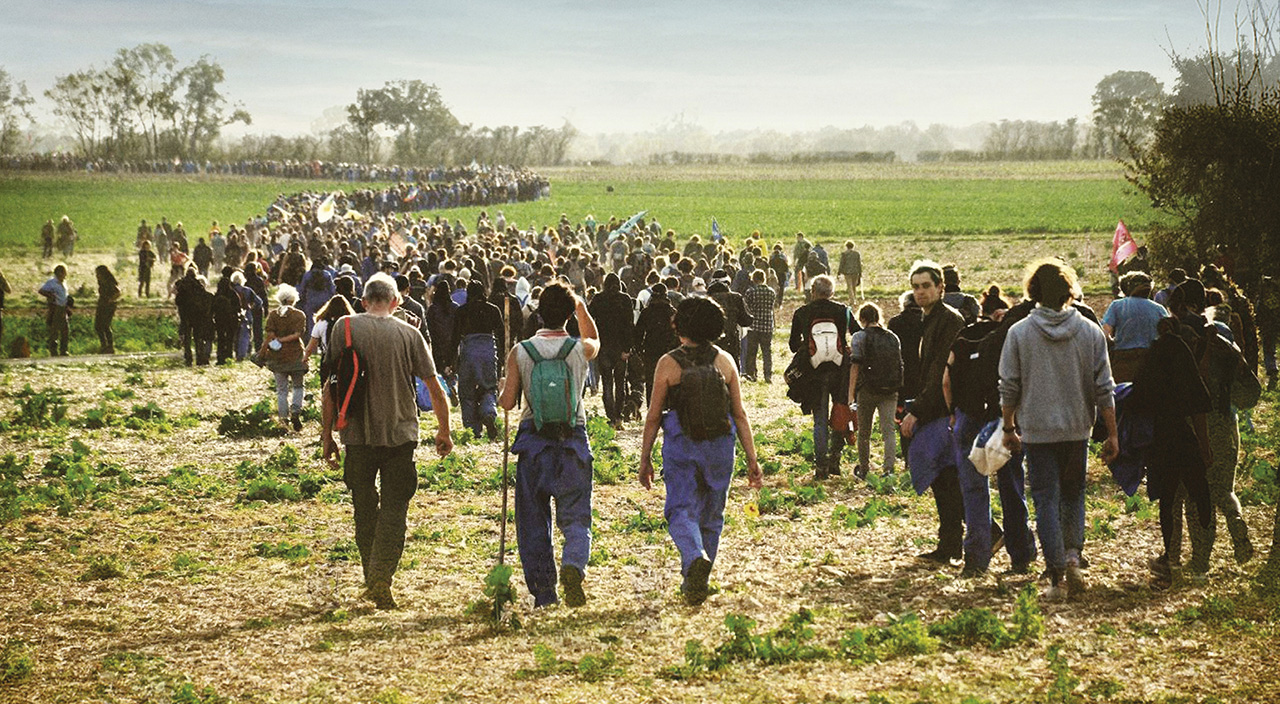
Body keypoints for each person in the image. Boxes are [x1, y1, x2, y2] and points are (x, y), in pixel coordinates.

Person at [321, 272, 453, 610]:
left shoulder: (343, 328)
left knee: (363, 508)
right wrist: (444, 431)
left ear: (364, 301)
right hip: (400, 434)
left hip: (356, 435)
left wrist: (326, 437)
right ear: (396, 303)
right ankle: (381, 578)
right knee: (396, 509)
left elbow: (330, 387)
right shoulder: (409, 334)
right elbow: (435, 388)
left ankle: (372, 576)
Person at [999, 259, 1118, 600]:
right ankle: (1072, 555)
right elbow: (1104, 388)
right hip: (1077, 429)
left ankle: (1056, 576)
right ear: (1069, 291)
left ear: (1032, 292)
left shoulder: (1019, 332)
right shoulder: (1090, 332)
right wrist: (1112, 433)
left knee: (1045, 498)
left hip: (1037, 431)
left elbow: (1009, 386)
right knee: (1074, 494)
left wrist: (1009, 426)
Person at [639, 296, 763, 605]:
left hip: (682, 443)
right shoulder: (725, 361)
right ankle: (698, 581)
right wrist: (752, 458)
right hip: (721, 444)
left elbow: (654, 416)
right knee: (712, 515)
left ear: (679, 326)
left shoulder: (668, 363)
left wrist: (645, 459)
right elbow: (740, 413)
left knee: (681, 509)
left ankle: (694, 557)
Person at [497, 281, 600, 608]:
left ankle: (544, 593)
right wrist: (581, 307)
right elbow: (596, 339)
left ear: (539, 314)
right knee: (576, 515)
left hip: (533, 442)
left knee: (533, 521)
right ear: (568, 314)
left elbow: (508, 402)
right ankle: (573, 565)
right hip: (572, 439)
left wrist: (502, 386)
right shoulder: (579, 349)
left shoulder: (521, 351)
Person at [899, 261, 966, 565]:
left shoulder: (949, 320)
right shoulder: (929, 319)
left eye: (926, 286)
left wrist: (918, 411)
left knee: (948, 478)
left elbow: (941, 370)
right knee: (944, 479)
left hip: (943, 410)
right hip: (936, 408)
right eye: (916, 287)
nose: (921, 292)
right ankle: (951, 544)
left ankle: (974, 536)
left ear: (941, 287)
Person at [788, 274, 855, 479]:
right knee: (840, 413)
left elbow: (792, 345)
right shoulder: (843, 311)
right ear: (832, 293)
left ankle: (821, 466)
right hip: (840, 371)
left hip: (813, 373)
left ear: (813, 292)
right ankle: (835, 458)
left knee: (819, 420)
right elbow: (858, 334)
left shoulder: (802, 312)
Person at [847, 303, 902, 479]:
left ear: (862, 319)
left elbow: (855, 367)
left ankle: (864, 469)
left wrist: (851, 395)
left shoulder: (859, 337)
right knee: (889, 431)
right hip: (890, 390)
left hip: (867, 389)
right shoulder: (893, 337)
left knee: (864, 432)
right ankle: (888, 469)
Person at [453, 279, 504, 440]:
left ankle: (473, 429)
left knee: (467, 392)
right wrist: (502, 358)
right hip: (489, 350)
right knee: (489, 387)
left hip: (469, 351)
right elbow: (502, 335)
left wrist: (450, 360)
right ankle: (489, 412)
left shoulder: (462, 311)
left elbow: (454, 338)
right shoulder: (493, 310)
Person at [1101, 271, 1169, 383]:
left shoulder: (1117, 305)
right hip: (1150, 361)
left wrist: (1113, 344)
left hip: (1123, 360)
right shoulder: (1159, 309)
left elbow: (1105, 334)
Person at [588, 273, 635, 427]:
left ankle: (611, 418)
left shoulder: (598, 299)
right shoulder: (625, 299)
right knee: (620, 383)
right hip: (621, 347)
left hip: (603, 347)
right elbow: (629, 325)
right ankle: (619, 416)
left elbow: (590, 318)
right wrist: (628, 348)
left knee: (607, 383)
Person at [263, 284, 308, 430]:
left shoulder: (273, 315)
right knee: (298, 386)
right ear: (293, 299)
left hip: (278, 356)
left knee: (281, 390)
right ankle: (295, 410)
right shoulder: (299, 315)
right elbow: (298, 334)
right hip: (295, 354)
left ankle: (283, 419)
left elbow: (270, 334)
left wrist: (278, 341)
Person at [636, 282, 680, 403]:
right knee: (669, 381)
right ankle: (668, 408)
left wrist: (639, 350)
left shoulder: (646, 312)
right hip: (669, 351)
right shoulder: (672, 312)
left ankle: (652, 407)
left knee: (651, 382)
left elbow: (638, 333)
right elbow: (679, 333)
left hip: (650, 350)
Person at [742, 269, 776, 382]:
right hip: (767, 325)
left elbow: (746, 308)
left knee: (752, 351)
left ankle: (752, 374)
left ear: (754, 279)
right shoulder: (771, 292)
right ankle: (768, 375)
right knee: (767, 351)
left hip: (753, 325)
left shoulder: (750, 291)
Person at [38, 264, 71, 357]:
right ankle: (54, 351)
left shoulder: (64, 283)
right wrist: (51, 296)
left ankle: (64, 350)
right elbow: (41, 291)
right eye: (63, 272)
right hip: (56, 307)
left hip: (63, 308)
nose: (65, 274)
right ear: (59, 273)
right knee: (54, 330)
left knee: (65, 330)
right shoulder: (52, 283)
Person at [94, 265, 121, 354]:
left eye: (98, 273)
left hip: (108, 306)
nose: (97, 275)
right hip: (102, 305)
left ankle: (109, 346)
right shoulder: (101, 282)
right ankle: (105, 345)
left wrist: (110, 300)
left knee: (104, 325)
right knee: (98, 326)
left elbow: (117, 293)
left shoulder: (109, 282)